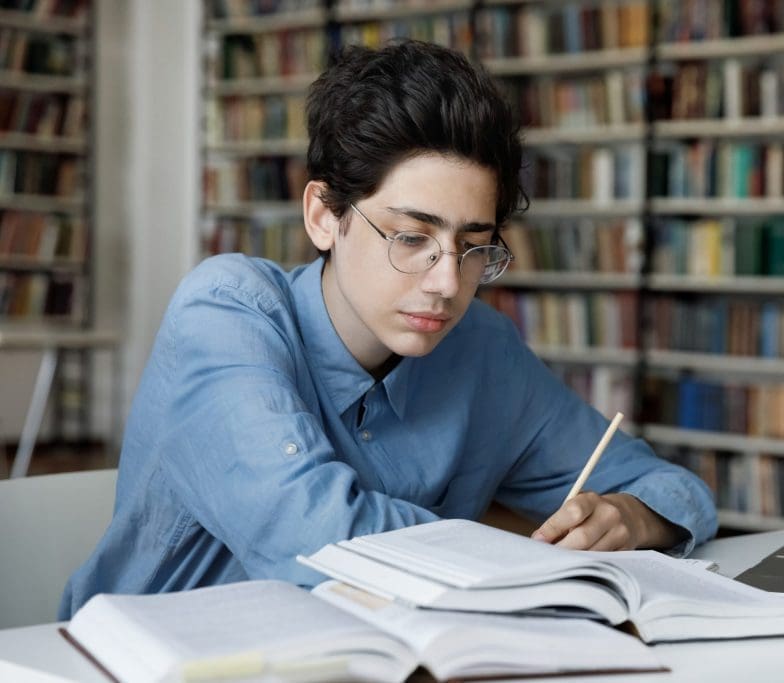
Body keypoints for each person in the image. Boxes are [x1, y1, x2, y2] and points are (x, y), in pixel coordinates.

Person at [60, 40, 717, 618]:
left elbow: (669, 486)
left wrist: (633, 515)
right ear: (323, 215)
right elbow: (313, 537)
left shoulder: (482, 349)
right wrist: (516, 558)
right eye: (411, 236)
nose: (446, 282)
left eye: (473, 247)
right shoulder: (227, 310)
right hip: (133, 661)